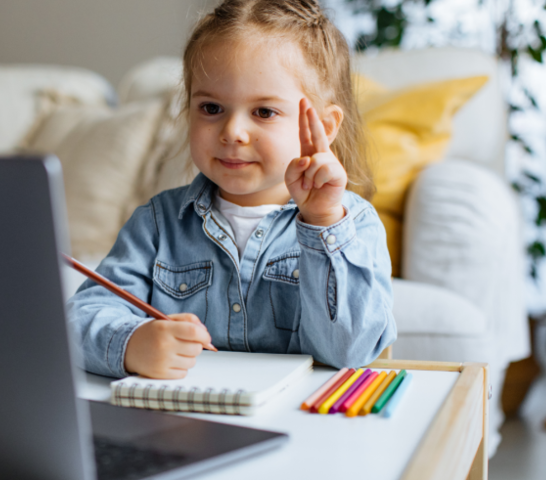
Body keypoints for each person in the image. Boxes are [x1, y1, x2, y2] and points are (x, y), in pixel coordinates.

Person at [67, 0, 396, 379]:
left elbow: (350, 352)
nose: (232, 132)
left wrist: (322, 223)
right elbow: (80, 319)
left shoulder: (352, 223)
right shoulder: (157, 224)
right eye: (211, 108)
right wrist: (131, 342)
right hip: (185, 421)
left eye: (264, 112)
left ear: (324, 125)